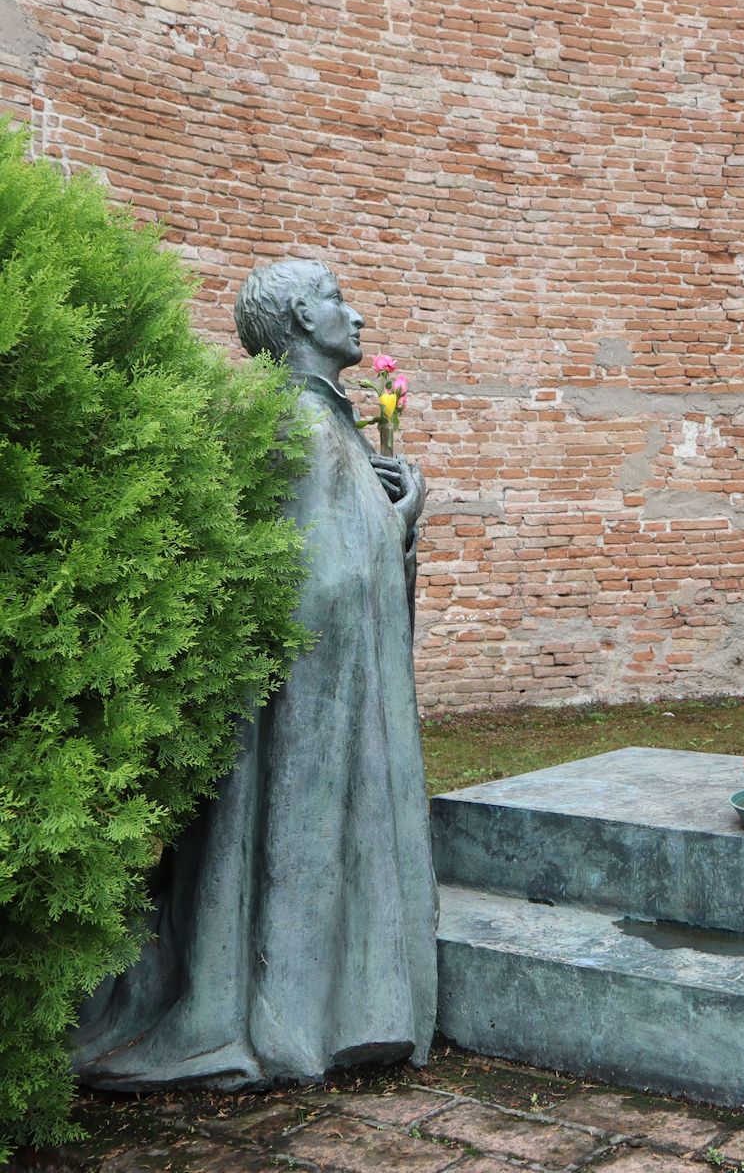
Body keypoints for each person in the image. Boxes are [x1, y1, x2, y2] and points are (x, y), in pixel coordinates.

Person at [72, 259, 436, 1090]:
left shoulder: (321, 423)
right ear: (302, 320)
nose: (357, 317)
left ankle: (335, 1007)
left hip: (316, 701)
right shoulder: (298, 425)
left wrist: (387, 523)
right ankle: (303, 1017)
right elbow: (329, 581)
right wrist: (400, 519)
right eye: (338, 300)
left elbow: (340, 556)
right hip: (306, 706)